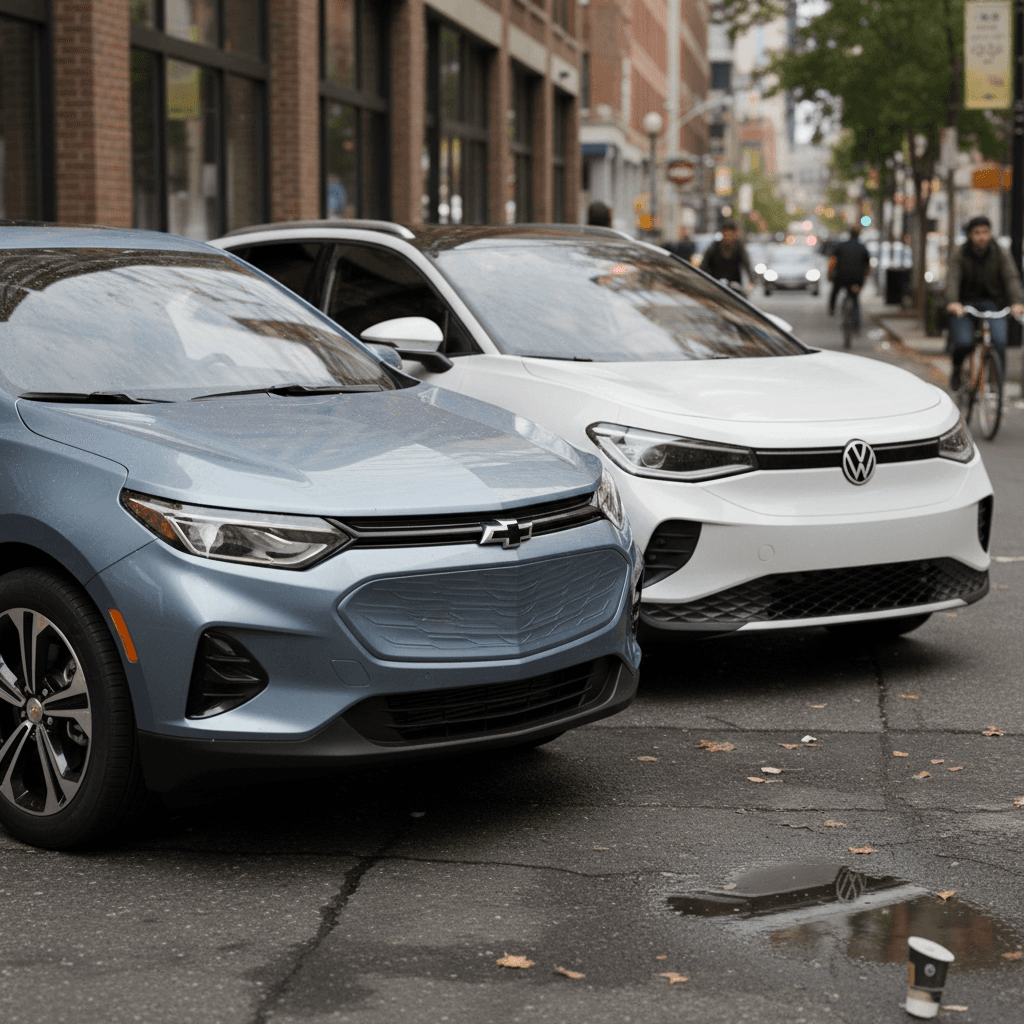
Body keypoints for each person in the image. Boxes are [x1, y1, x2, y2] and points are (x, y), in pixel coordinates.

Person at [945, 216, 1024, 389]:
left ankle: (997, 385)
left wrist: (1017, 302)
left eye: (985, 232)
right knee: (964, 342)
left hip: (993, 303)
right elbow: (953, 279)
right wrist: (952, 302)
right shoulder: (960, 253)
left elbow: (1011, 278)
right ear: (970, 235)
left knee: (1000, 341)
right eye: (977, 232)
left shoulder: (1000, 252)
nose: (982, 236)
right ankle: (957, 369)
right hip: (965, 305)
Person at [828, 225, 871, 328]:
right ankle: (856, 323)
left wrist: (829, 275)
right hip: (856, 278)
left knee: (835, 291)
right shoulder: (862, 247)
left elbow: (832, 261)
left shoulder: (841, 246)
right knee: (855, 297)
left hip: (841, 277)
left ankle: (832, 308)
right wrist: (864, 278)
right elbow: (868, 266)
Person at [700, 220, 754, 290]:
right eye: (726, 234)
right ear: (722, 233)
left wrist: (751, 281)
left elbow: (747, 264)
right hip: (715, 284)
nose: (728, 238)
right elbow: (704, 265)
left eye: (731, 234)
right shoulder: (714, 247)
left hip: (734, 286)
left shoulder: (739, 248)